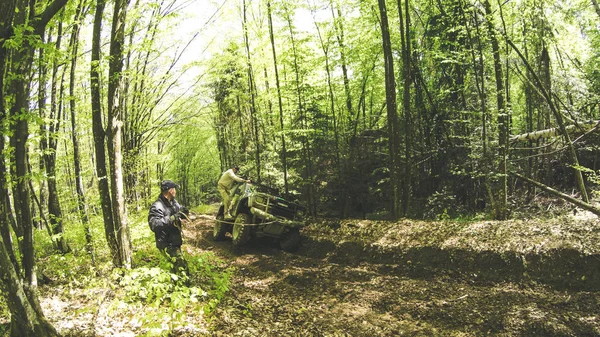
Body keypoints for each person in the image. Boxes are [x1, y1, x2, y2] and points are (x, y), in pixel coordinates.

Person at [148, 180, 189, 273]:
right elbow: (154, 225)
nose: (176, 191)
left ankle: (174, 284)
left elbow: (179, 210)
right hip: (166, 243)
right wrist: (172, 218)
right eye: (174, 189)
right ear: (170, 190)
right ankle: (184, 285)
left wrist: (184, 212)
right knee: (183, 269)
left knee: (175, 270)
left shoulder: (173, 202)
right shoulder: (157, 206)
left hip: (175, 241)